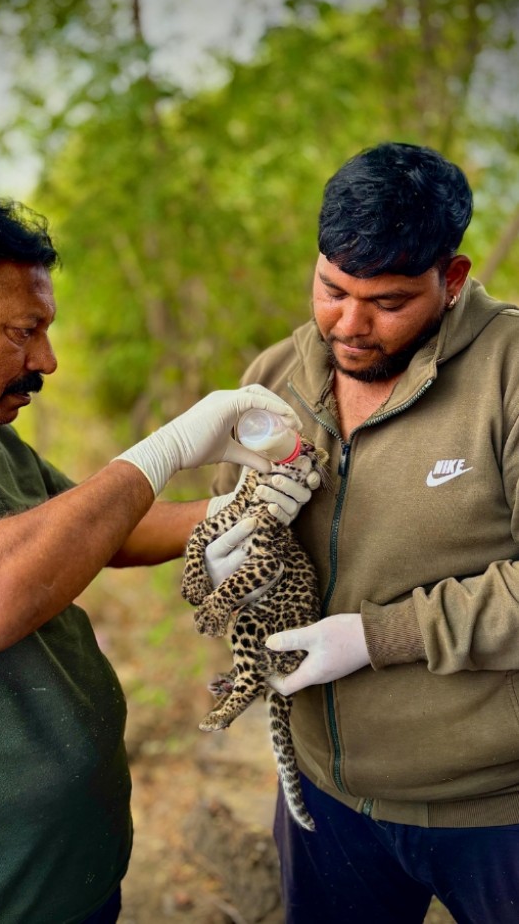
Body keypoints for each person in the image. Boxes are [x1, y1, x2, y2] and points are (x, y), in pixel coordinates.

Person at [0, 198, 318, 924]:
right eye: (24, 332)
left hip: (75, 882)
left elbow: (99, 531)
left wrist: (239, 507)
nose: (46, 361)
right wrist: (167, 448)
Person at [212, 141, 519, 924]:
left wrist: (379, 637)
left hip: (495, 806)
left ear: (453, 279)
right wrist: (226, 547)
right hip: (325, 797)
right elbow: (233, 513)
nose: (349, 325)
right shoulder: (275, 377)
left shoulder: (509, 371)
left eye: (387, 302)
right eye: (332, 289)